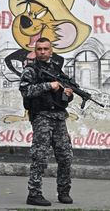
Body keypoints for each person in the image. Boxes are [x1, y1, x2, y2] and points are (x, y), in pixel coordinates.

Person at [19, 37, 74, 206]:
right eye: (39, 49)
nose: (42, 52)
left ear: (51, 51)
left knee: (65, 156)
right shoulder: (30, 70)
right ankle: (34, 194)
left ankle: (64, 192)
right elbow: (25, 90)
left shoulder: (57, 70)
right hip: (41, 116)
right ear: (36, 51)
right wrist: (48, 86)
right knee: (40, 156)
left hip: (58, 117)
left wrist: (68, 93)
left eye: (45, 49)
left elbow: (64, 95)